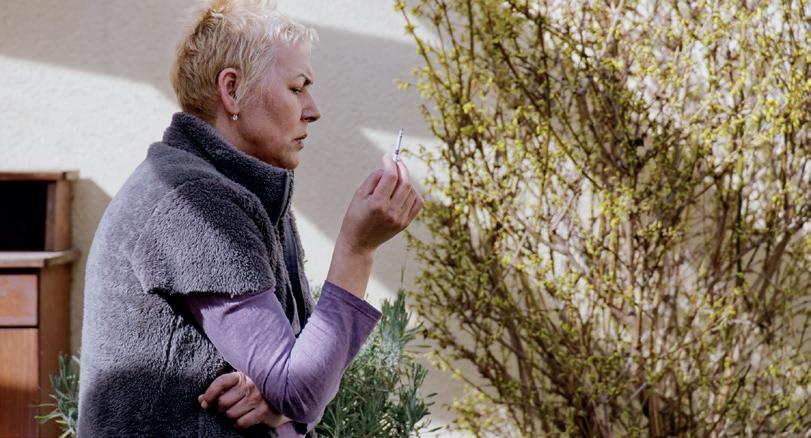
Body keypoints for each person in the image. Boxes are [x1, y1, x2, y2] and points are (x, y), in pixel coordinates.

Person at [76, 0, 423, 436]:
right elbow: (303, 389)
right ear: (232, 90)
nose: (313, 109)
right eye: (297, 88)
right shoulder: (193, 201)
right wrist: (358, 249)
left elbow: (308, 375)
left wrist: (276, 398)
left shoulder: (249, 189)